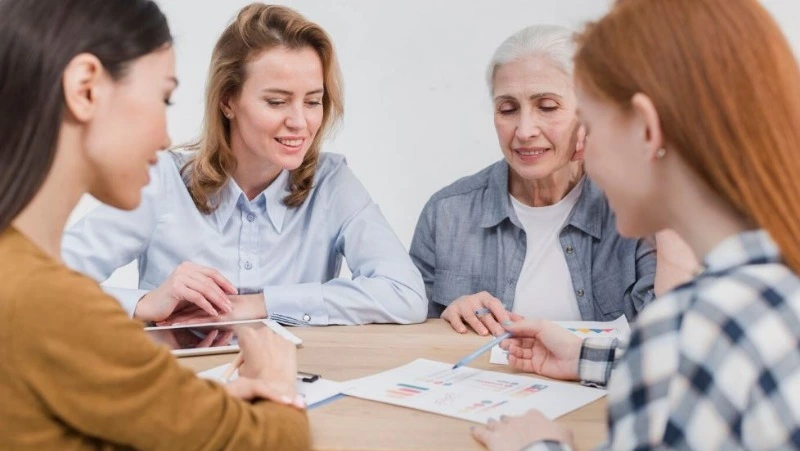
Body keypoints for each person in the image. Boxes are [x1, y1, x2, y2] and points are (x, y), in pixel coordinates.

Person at [472, 0, 800, 449]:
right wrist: (589, 356)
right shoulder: (765, 291)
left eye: (588, 124)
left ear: (646, 131)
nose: (583, 151)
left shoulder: (693, 326)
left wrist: (538, 447)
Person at [0, 0, 310, 448]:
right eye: (161, 97)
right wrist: (278, 382)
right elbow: (274, 444)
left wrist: (197, 404)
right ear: (86, 89)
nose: (166, 136)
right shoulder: (50, 305)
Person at [62, 3, 427, 327]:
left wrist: (259, 305)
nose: (300, 122)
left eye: (313, 101)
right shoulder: (163, 181)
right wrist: (142, 303)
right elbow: (42, 279)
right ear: (227, 101)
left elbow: (405, 294)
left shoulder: (331, 183)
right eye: (277, 101)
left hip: (296, 387)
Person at [410, 25, 691, 337]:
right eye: (508, 109)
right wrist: (449, 317)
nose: (525, 129)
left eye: (547, 107)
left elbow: (678, 331)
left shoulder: (635, 210)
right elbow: (411, 333)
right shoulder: (447, 212)